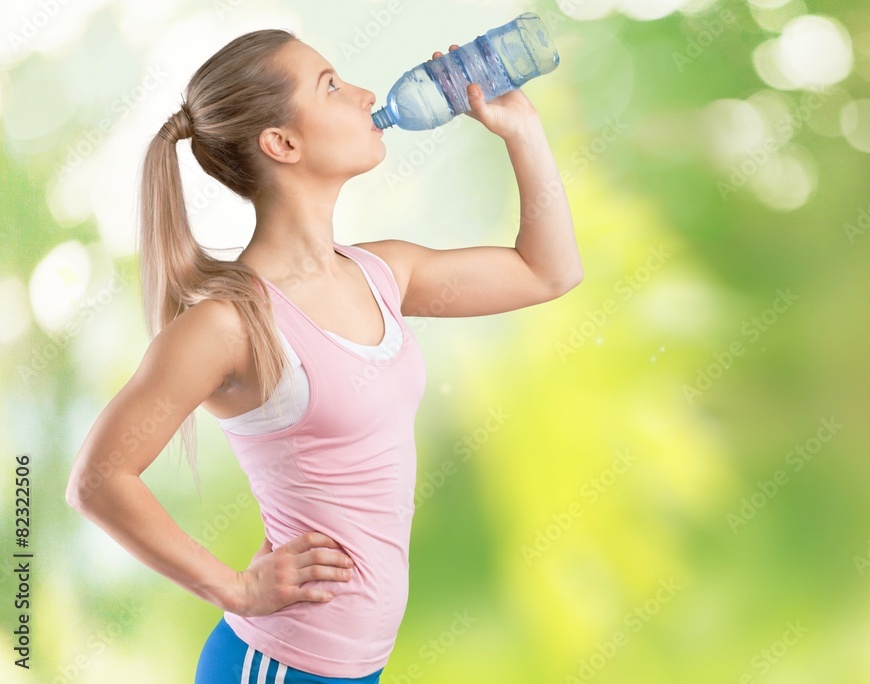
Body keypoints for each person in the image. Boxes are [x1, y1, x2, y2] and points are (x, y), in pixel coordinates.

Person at [65, 27, 581, 683]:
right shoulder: (230, 323)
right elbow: (97, 478)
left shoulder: (384, 273)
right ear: (281, 143)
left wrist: (522, 131)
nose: (366, 95)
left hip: (356, 668)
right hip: (276, 664)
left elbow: (548, 272)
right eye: (331, 86)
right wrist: (235, 589)